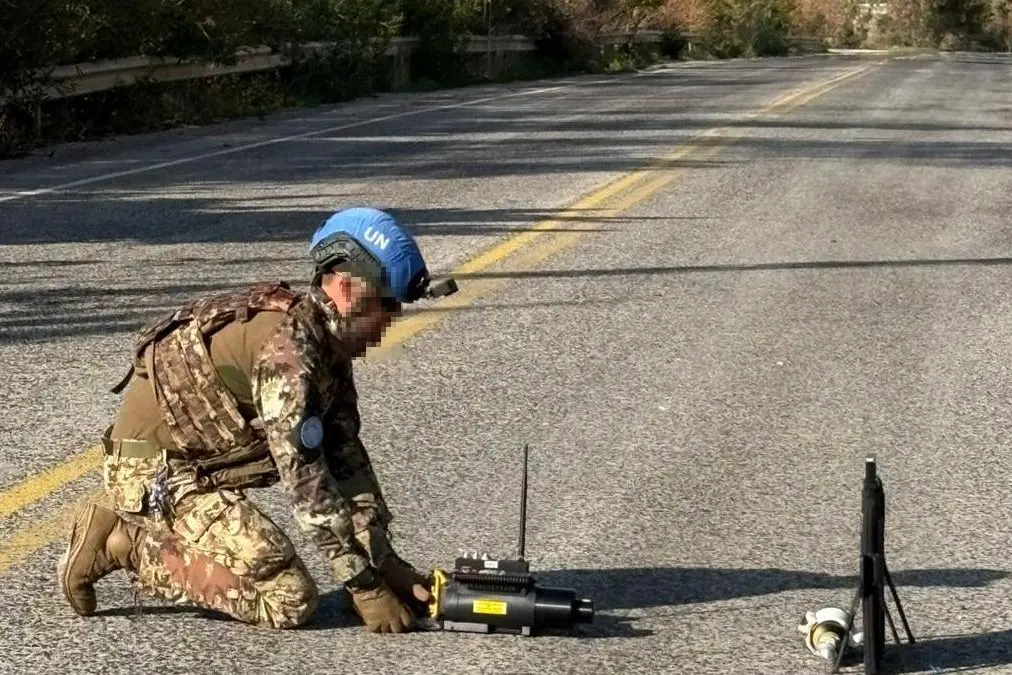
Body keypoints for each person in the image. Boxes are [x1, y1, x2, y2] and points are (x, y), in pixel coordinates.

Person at [57, 206, 453, 632]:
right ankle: (123, 541)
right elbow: (306, 483)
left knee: (316, 503)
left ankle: (139, 528)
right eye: (384, 305)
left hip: (205, 462)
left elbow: (345, 458)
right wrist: (363, 587)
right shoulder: (290, 354)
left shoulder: (328, 343)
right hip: (155, 472)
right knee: (290, 600)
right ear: (343, 288)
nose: (388, 324)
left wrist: (385, 563)